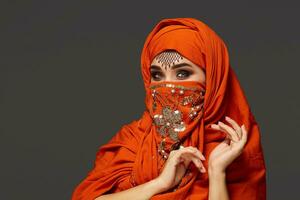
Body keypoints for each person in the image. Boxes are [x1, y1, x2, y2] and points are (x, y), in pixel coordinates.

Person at [71, 17, 266, 200]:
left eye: (182, 74)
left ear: (212, 78)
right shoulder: (132, 140)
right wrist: (161, 183)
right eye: (157, 76)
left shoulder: (232, 147)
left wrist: (217, 172)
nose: (167, 85)